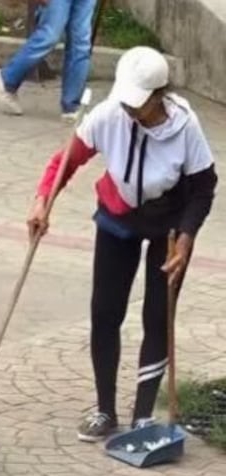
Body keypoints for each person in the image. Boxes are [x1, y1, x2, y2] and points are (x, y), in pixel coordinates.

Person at [26, 46, 217, 442]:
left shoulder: (186, 127)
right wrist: (42, 201)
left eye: (139, 104)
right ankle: (105, 410)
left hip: (169, 226)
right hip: (116, 217)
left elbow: (203, 188)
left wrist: (186, 239)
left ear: (158, 95)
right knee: (105, 312)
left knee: (157, 317)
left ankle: (145, 417)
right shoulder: (110, 114)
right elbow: (65, 161)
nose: (131, 111)